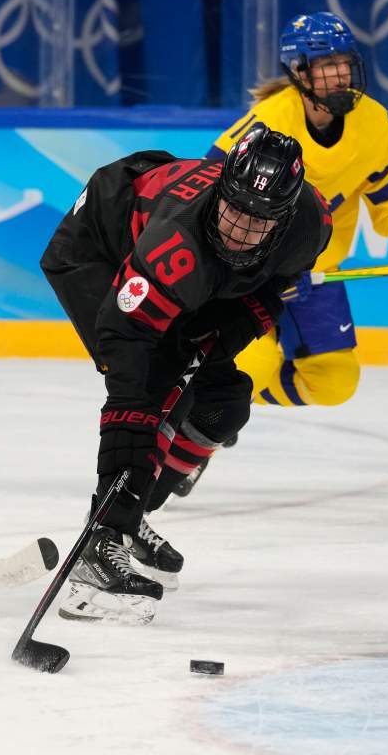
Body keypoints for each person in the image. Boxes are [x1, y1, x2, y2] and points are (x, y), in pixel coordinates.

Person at [172, 12, 388, 499]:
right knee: (244, 366)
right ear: (299, 72)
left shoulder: (375, 124)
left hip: (314, 274)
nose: (340, 74)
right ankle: (192, 440)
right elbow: (208, 199)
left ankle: (219, 406)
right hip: (246, 276)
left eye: (345, 63)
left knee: (336, 380)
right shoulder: (267, 125)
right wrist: (248, 268)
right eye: (326, 64)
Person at [40, 123, 332, 623]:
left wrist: (232, 329)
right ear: (221, 190)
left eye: (258, 223)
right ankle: (101, 544)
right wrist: (136, 405)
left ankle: (135, 516)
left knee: (225, 404)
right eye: (234, 211)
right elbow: (125, 340)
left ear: (284, 219)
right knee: (151, 391)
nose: (239, 233)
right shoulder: (174, 247)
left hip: (182, 265)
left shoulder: (310, 222)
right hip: (98, 250)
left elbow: (275, 284)